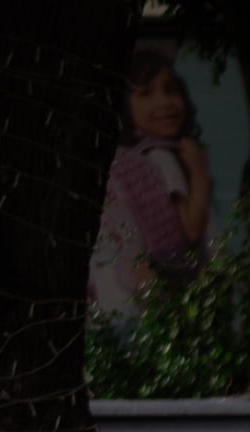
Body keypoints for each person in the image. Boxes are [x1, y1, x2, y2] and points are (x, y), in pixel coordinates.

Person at [89, 46, 213, 318]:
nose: (165, 102)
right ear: (126, 107)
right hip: (170, 287)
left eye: (170, 90)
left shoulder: (134, 160)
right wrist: (200, 171)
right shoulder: (162, 158)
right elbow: (191, 229)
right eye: (146, 93)